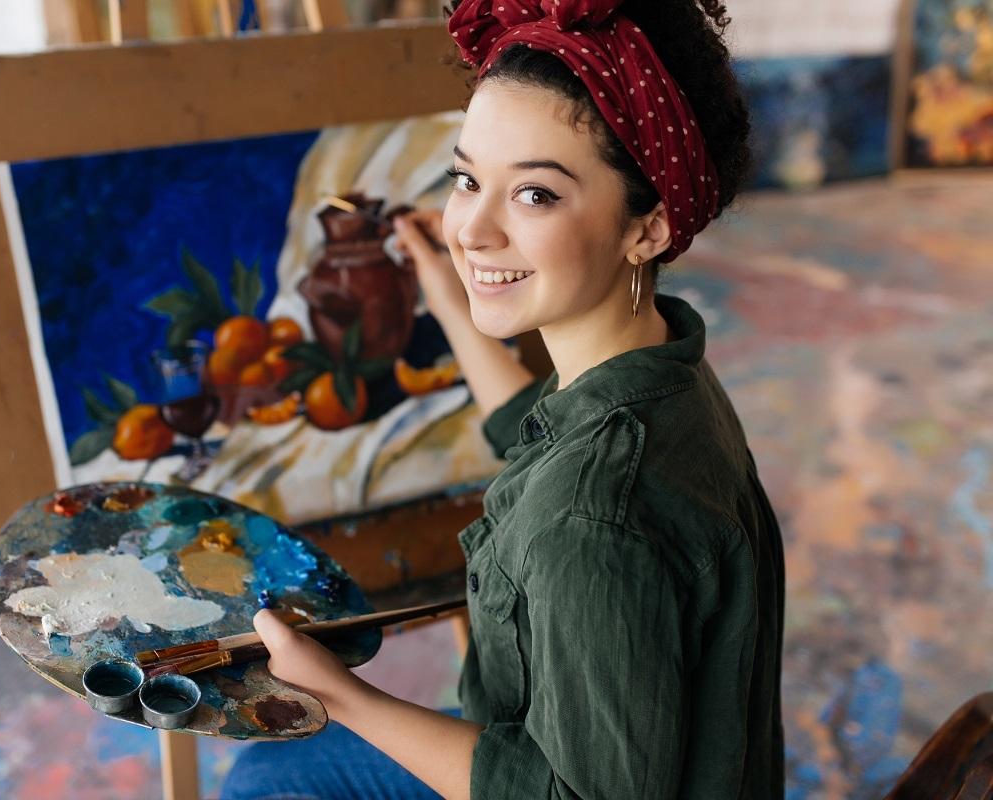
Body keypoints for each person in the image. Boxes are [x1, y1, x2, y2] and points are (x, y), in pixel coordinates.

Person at [221, 0, 784, 796]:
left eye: (535, 195)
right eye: (467, 179)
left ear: (649, 227)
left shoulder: (592, 518)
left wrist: (343, 695)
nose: (470, 230)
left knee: (263, 786)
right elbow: (532, 429)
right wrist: (452, 299)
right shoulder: (659, 367)